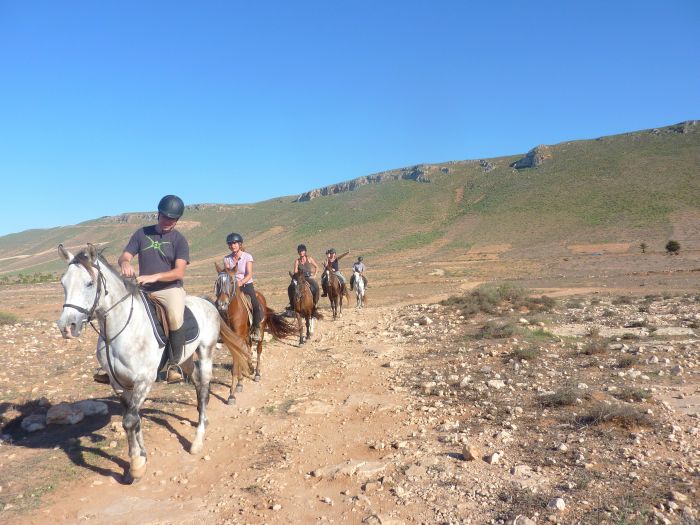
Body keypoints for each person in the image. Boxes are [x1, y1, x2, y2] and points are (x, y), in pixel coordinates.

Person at [118, 194, 189, 383]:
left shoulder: (179, 240)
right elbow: (125, 256)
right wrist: (125, 263)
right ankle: (114, 364)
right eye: (165, 216)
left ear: (177, 220)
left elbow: (179, 272)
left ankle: (174, 366)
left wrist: (154, 276)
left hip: (169, 289)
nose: (168, 221)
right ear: (158, 214)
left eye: (173, 218)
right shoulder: (142, 233)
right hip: (142, 289)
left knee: (175, 316)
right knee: (117, 312)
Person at [223, 232, 263, 342]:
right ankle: (222, 330)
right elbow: (227, 273)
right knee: (221, 304)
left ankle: (256, 329)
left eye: (235, 243)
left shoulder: (247, 257)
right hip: (231, 287)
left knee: (255, 304)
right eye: (230, 244)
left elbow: (249, 274)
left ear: (240, 244)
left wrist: (240, 282)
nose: (233, 245)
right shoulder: (227, 259)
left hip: (245, 285)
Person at [287, 244, 319, 308]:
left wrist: (315, 275)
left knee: (316, 287)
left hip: (308, 277)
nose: (301, 252)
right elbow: (295, 271)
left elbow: (317, 267)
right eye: (300, 251)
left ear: (305, 251)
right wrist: (296, 276)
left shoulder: (309, 259)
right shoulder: (297, 261)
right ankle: (292, 303)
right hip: (300, 278)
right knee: (290, 287)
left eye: (302, 251)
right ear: (298, 252)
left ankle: (315, 303)